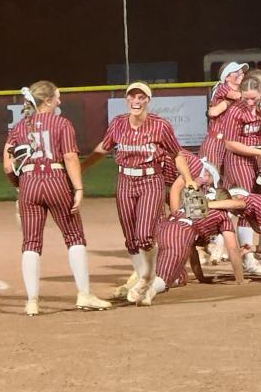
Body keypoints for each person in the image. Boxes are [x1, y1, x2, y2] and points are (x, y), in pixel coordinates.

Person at [81, 81, 195, 303]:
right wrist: (82, 167)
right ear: (127, 100)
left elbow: (176, 154)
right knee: (131, 237)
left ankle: (147, 277)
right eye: (132, 97)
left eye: (141, 97)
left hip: (151, 179)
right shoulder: (118, 124)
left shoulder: (160, 126)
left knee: (144, 235)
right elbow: (102, 149)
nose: (136, 101)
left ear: (147, 101)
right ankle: (141, 280)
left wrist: (188, 179)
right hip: (125, 179)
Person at [3, 81, 112, 315]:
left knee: (31, 243)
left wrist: (18, 185)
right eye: (57, 97)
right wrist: (79, 188)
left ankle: (32, 301)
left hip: (29, 183)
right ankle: (84, 294)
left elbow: (7, 166)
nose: (60, 101)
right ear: (48, 100)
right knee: (74, 237)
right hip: (55, 180)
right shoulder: (61, 123)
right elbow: (70, 157)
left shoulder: (19, 127)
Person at [222, 74, 261, 275]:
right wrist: (260, 152)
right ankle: (247, 257)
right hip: (239, 158)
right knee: (246, 203)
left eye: (252, 98)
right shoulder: (234, 111)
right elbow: (230, 143)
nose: (248, 102)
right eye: (244, 97)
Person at [146, 188, 244, 304]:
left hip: (161, 229)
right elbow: (232, 249)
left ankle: (141, 282)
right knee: (167, 279)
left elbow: (192, 250)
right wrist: (240, 280)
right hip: (179, 233)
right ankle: (144, 290)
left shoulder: (193, 203)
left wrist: (201, 278)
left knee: (179, 275)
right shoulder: (222, 215)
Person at [198, 61, 247, 262]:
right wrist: (255, 94)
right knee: (206, 188)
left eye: (242, 72)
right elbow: (217, 109)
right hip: (214, 143)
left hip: (228, 145)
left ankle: (218, 240)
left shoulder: (234, 93)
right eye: (237, 73)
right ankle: (201, 240)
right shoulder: (223, 87)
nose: (241, 75)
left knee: (228, 191)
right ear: (227, 76)